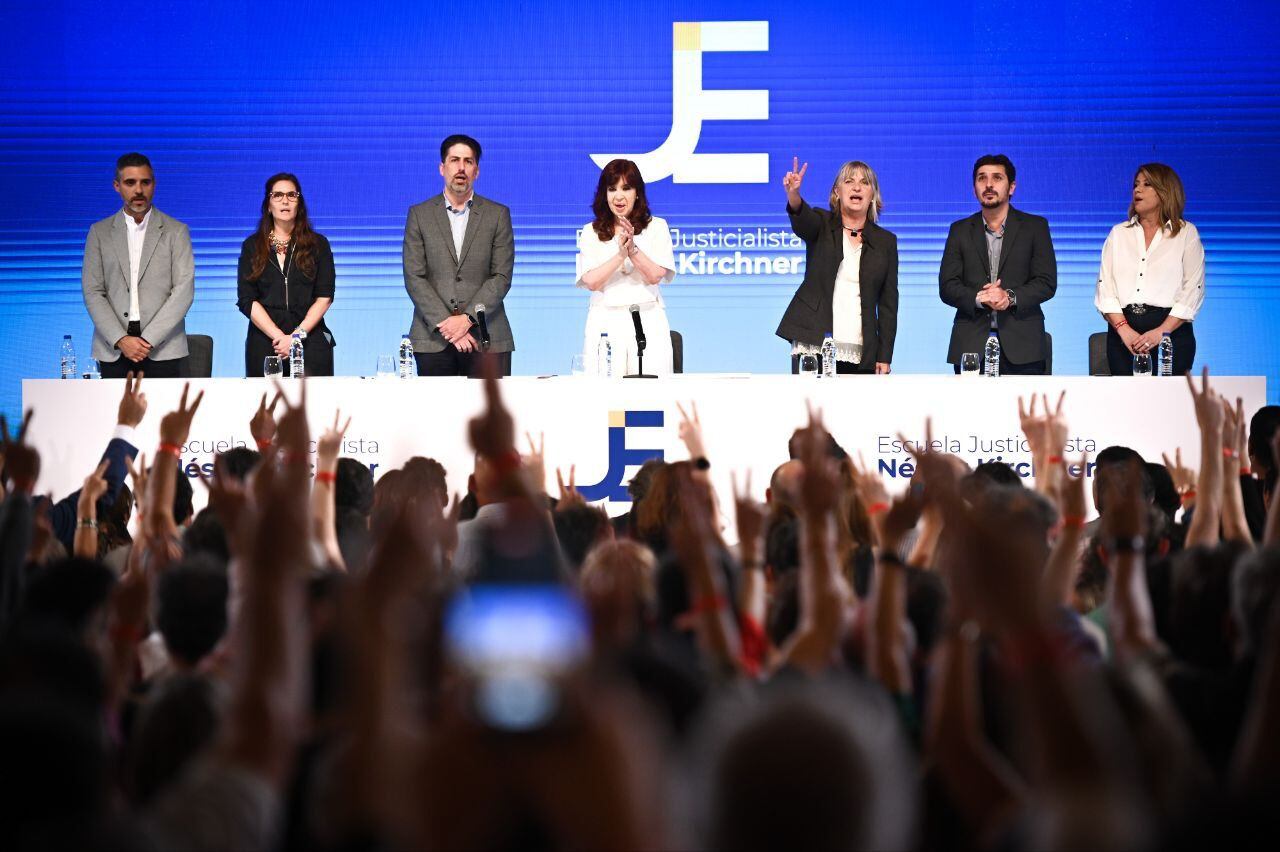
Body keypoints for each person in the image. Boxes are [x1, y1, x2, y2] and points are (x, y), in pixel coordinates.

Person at [402, 134, 515, 377]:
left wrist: (467, 320)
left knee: (491, 416)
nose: (461, 168)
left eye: (468, 161)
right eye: (454, 160)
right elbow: (414, 277)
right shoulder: (419, 215)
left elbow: (501, 276)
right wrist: (448, 325)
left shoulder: (498, 215)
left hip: (487, 338)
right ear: (442, 168)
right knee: (438, 416)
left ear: (477, 171)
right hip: (433, 339)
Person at [776, 158, 898, 374]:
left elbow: (889, 304)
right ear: (837, 193)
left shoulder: (885, 241)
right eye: (849, 181)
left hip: (861, 347)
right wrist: (793, 195)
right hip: (814, 341)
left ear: (873, 196)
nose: (857, 187)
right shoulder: (821, 224)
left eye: (865, 183)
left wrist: (884, 355)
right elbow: (802, 220)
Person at [939, 154, 1056, 374]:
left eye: (997, 178)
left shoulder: (1035, 227)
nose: (989, 184)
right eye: (982, 178)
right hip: (971, 345)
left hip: (1024, 346)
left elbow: (1046, 283)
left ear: (1011, 187)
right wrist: (978, 298)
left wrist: (1009, 297)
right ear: (974, 188)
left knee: (1022, 410)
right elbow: (947, 286)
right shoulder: (959, 230)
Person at [81, 153, 194, 378]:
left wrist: (148, 339)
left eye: (145, 182)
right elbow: (93, 291)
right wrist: (121, 339)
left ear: (154, 184)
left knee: (164, 414)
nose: (139, 190)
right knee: (115, 414)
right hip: (113, 347)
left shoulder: (176, 231)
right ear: (117, 186)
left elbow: (183, 291)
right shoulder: (99, 232)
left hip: (163, 348)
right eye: (130, 182)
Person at [1094, 163, 1204, 376]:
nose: (1137, 189)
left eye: (1146, 185)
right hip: (1124, 335)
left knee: (1169, 404)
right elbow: (1105, 288)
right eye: (1136, 185)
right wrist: (1124, 331)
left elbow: (1193, 289)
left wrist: (1161, 333)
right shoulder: (1119, 233)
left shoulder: (1186, 234)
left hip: (1171, 336)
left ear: (1165, 191)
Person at [576, 159, 676, 374]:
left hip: (647, 319)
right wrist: (620, 255)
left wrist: (633, 250)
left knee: (652, 397)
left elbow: (655, 276)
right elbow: (591, 281)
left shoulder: (657, 227)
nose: (618, 196)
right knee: (605, 399)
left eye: (626, 188)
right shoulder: (590, 232)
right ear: (604, 194)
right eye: (612, 189)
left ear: (637, 192)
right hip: (604, 321)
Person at [236, 173, 336, 377]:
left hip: (310, 339)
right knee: (267, 407)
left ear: (299, 203)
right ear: (268, 205)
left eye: (292, 195)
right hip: (267, 342)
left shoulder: (318, 244)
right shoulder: (252, 247)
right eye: (278, 195)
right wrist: (280, 338)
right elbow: (247, 299)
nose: (285, 200)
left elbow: (325, 296)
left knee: (314, 407)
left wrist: (296, 337)